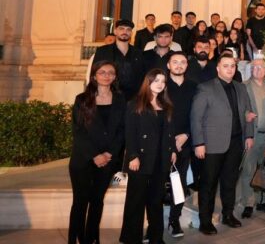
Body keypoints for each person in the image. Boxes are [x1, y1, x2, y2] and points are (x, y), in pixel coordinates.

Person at [191, 53, 255, 235]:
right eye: (225, 66)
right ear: (218, 68)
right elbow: (196, 118)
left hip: (235, 142)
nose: (229, 69)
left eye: (232, 66)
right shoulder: (205, 88)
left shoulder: (241, 88)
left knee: (229, 182)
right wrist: (199, 143)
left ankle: (228, 214)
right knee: (208, 184)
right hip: (211, 145)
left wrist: (249, 135)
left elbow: (248, 112)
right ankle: (205, 221)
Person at [68, 61, 126, 244]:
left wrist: (109, 154)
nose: (106, 75)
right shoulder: (82, 99)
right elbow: (78, 131)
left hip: (108, 160)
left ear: (115, 77)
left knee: (97, 201)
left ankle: (91, 238)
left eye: (111, 72)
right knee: (80, 201)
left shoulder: (120, 100)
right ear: (94, 76)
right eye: (102, 72)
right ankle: (75, 239)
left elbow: (123, 131)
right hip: (83, 159)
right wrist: (95, 155)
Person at [119, 69, 176, 244]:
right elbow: (130, 133)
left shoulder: (166, 105)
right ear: (148, 82)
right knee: (135, 201)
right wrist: (133, 156)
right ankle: (131, 238)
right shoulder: (135, 103)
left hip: (161, 159)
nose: (160, 84)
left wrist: (172, 150)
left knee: (156, 201)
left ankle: (156, 237)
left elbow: (169, 132)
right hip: (141, 159)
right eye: (156, 80)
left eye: (163, 81)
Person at [240, 58, 265, 217]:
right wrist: (245, 115)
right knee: (248, 170)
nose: (258, 70)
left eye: (261, 67)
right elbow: (238, 108)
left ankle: (263, 201)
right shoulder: (243, 86)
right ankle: (249, 203)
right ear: (251, 70)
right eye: (255, 67)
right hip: (252, 135)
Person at [165, 51, 197, 238]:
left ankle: (174, 221)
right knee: (155, 185)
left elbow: (198, 115)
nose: (179, 65)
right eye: (174, 62)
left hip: (184, 143)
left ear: (187, 65)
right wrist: (170, 141)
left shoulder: (194, 87)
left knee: (178, 184)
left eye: (182, 62)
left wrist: (186, 135)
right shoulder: (160, 84)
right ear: (168, 65)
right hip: (161, 143)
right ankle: (152, 225)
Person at [93, 19, 144, 100]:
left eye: (128, 29)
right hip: (109, 96)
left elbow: (142, 76)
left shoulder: (139, 53)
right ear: (115, 31)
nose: (125, 32)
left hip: (133, 99)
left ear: (131, 33)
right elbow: (94, 73)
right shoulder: (102, 51)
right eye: (121, 29)